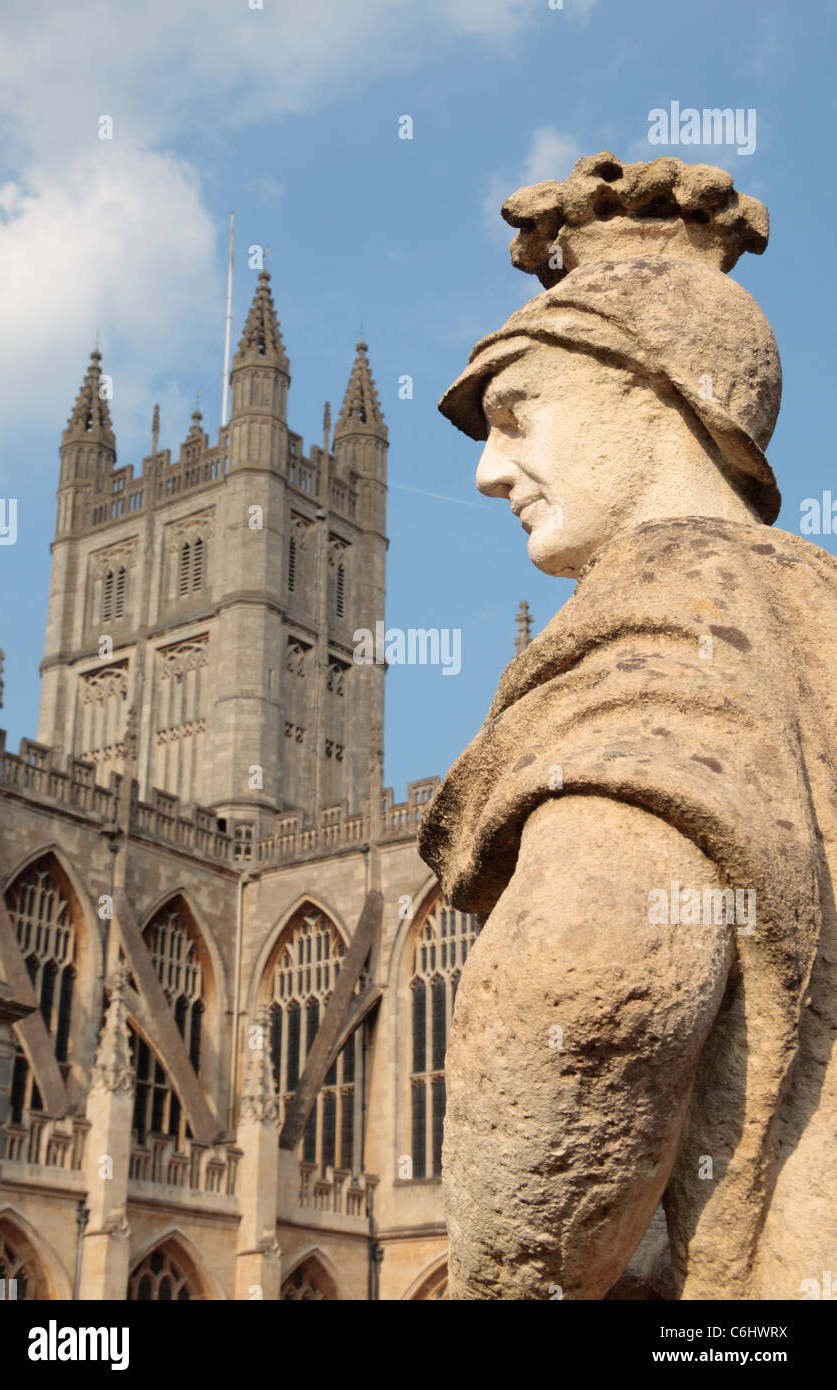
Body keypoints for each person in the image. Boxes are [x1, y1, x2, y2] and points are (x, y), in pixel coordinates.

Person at [419, 152, 837, 1300]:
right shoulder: (813, 609)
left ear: (649, 386)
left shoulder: (663, 621)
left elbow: (590, 989)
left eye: (515, 414)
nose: (490, 471)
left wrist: (506, 1282)